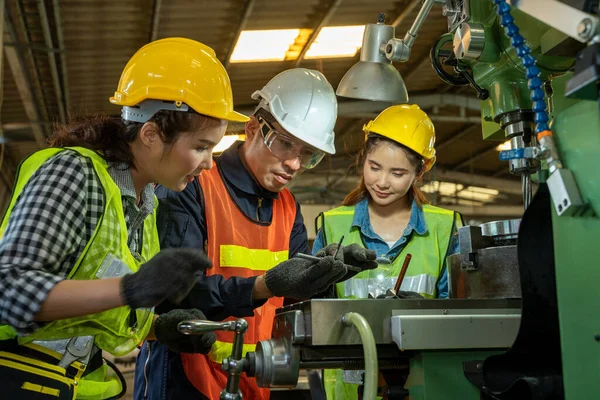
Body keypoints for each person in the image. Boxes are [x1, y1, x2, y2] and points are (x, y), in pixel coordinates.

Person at [0, 37, 249, 399]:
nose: (209, 163)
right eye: (201, 147)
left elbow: (95, 310)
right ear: (151, 134)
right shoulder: (73, 173)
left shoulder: (143, 202)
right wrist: (129, 289)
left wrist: (158, 328)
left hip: (67, 381)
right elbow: (8, 290)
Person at [135, 68, 375, 400]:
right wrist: (261, 287)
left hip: (254, 377)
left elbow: (292, 298)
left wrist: (325, 273)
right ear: (252, 128)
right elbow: (175, 296)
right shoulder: (192, 186)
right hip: (183, 378)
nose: (294, 163)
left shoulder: (289, 208)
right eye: (286, 144)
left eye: (309, 154)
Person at [312, 104, 463, 399]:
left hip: (425, 383)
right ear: (363, 160)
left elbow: (456, 314)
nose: (382, 182)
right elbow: (317, 310)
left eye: (397, 173)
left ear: (420, 172)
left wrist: (421, 311)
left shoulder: (444, 228)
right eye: (374, 167)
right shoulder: (332, 226)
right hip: (350, 386)